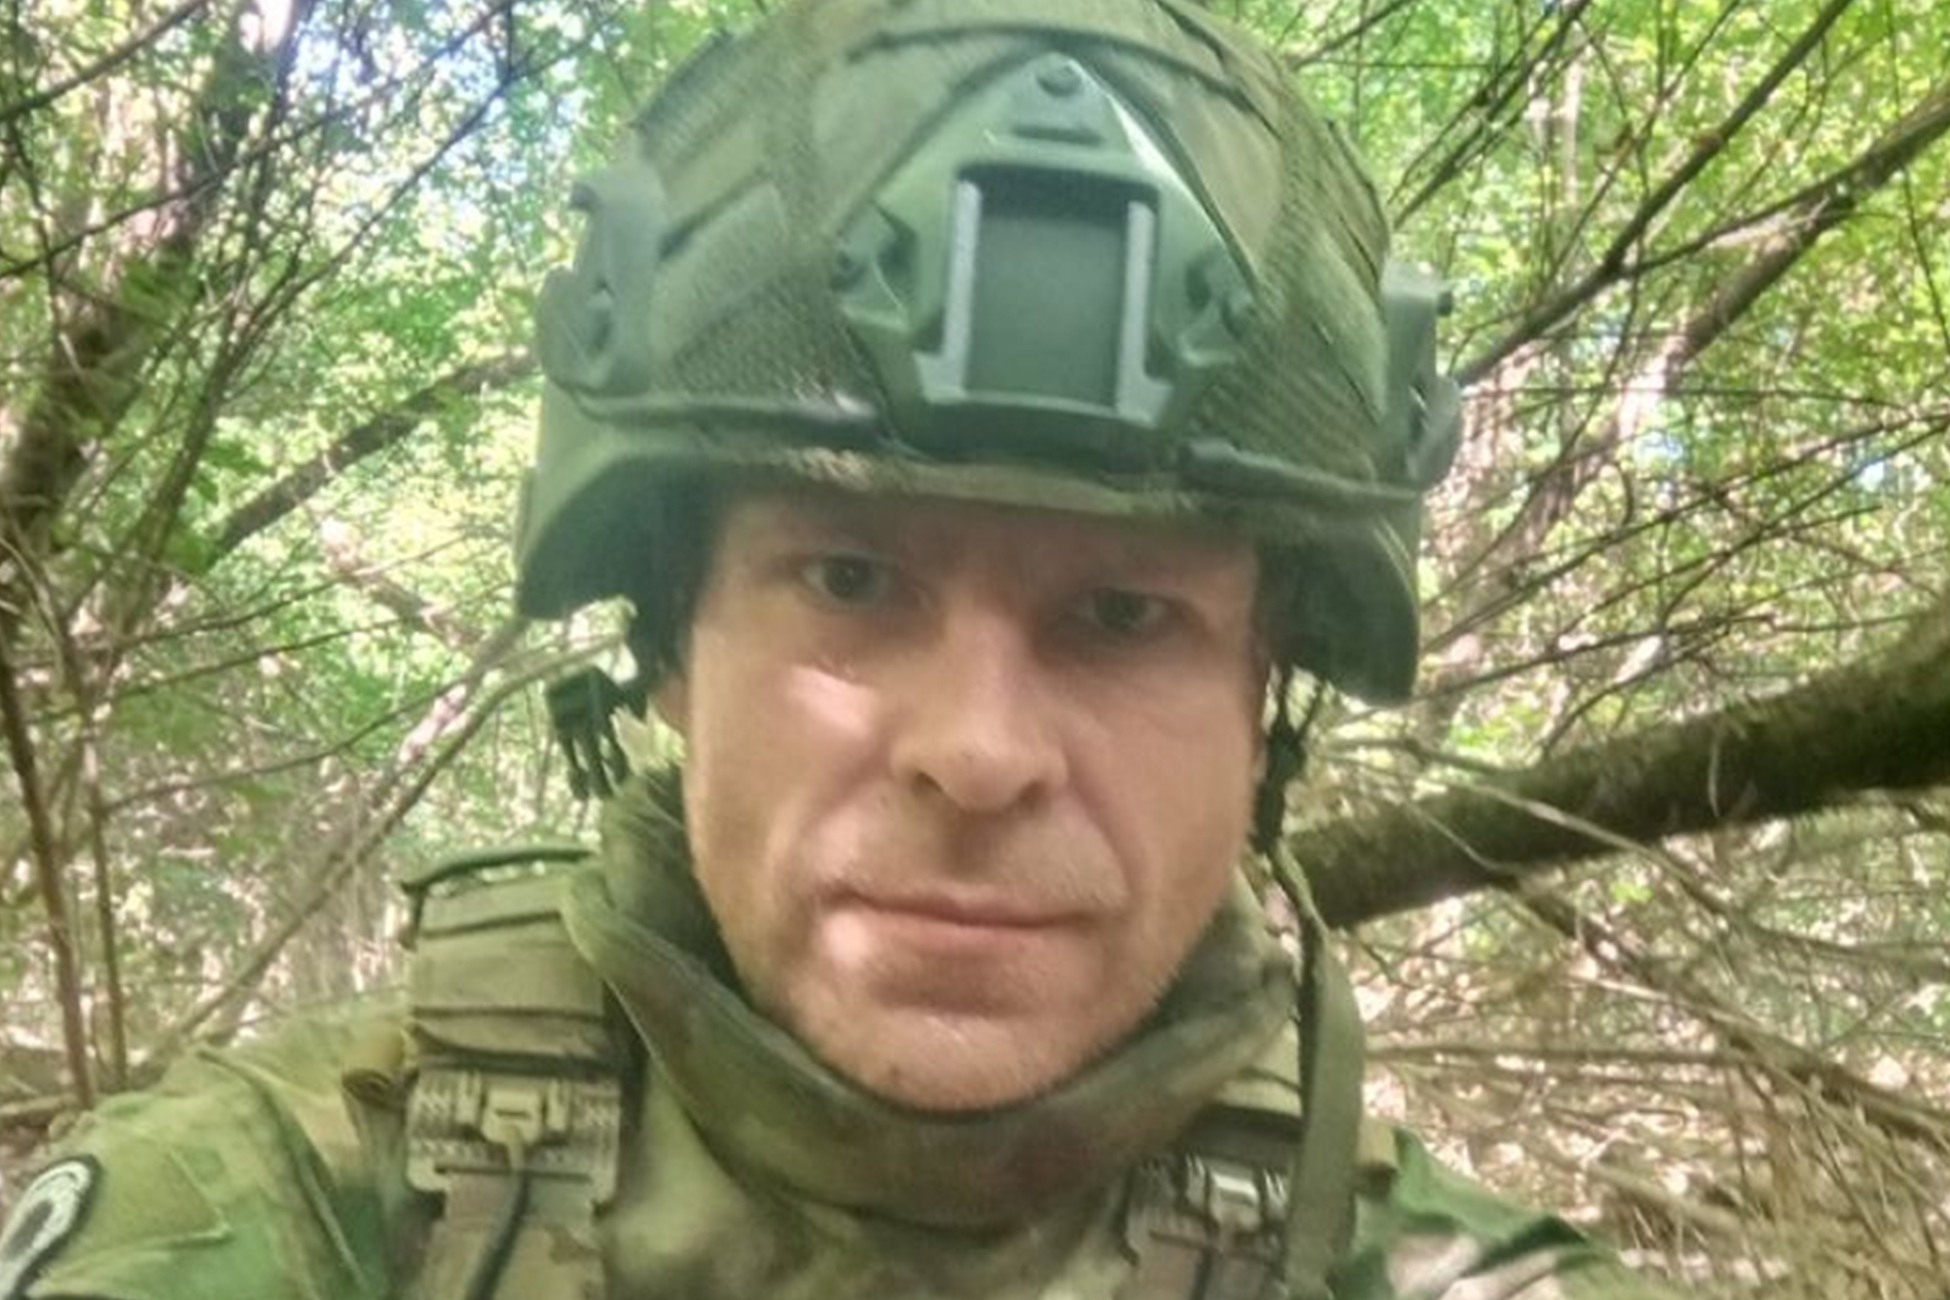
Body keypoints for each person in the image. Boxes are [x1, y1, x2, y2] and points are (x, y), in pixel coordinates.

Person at [0, 1, 1678, 1297]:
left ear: (1266, 706)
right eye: (853, 580)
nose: (978, 751)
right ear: (668, 645)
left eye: (1120, 615)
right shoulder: (276, 1217)